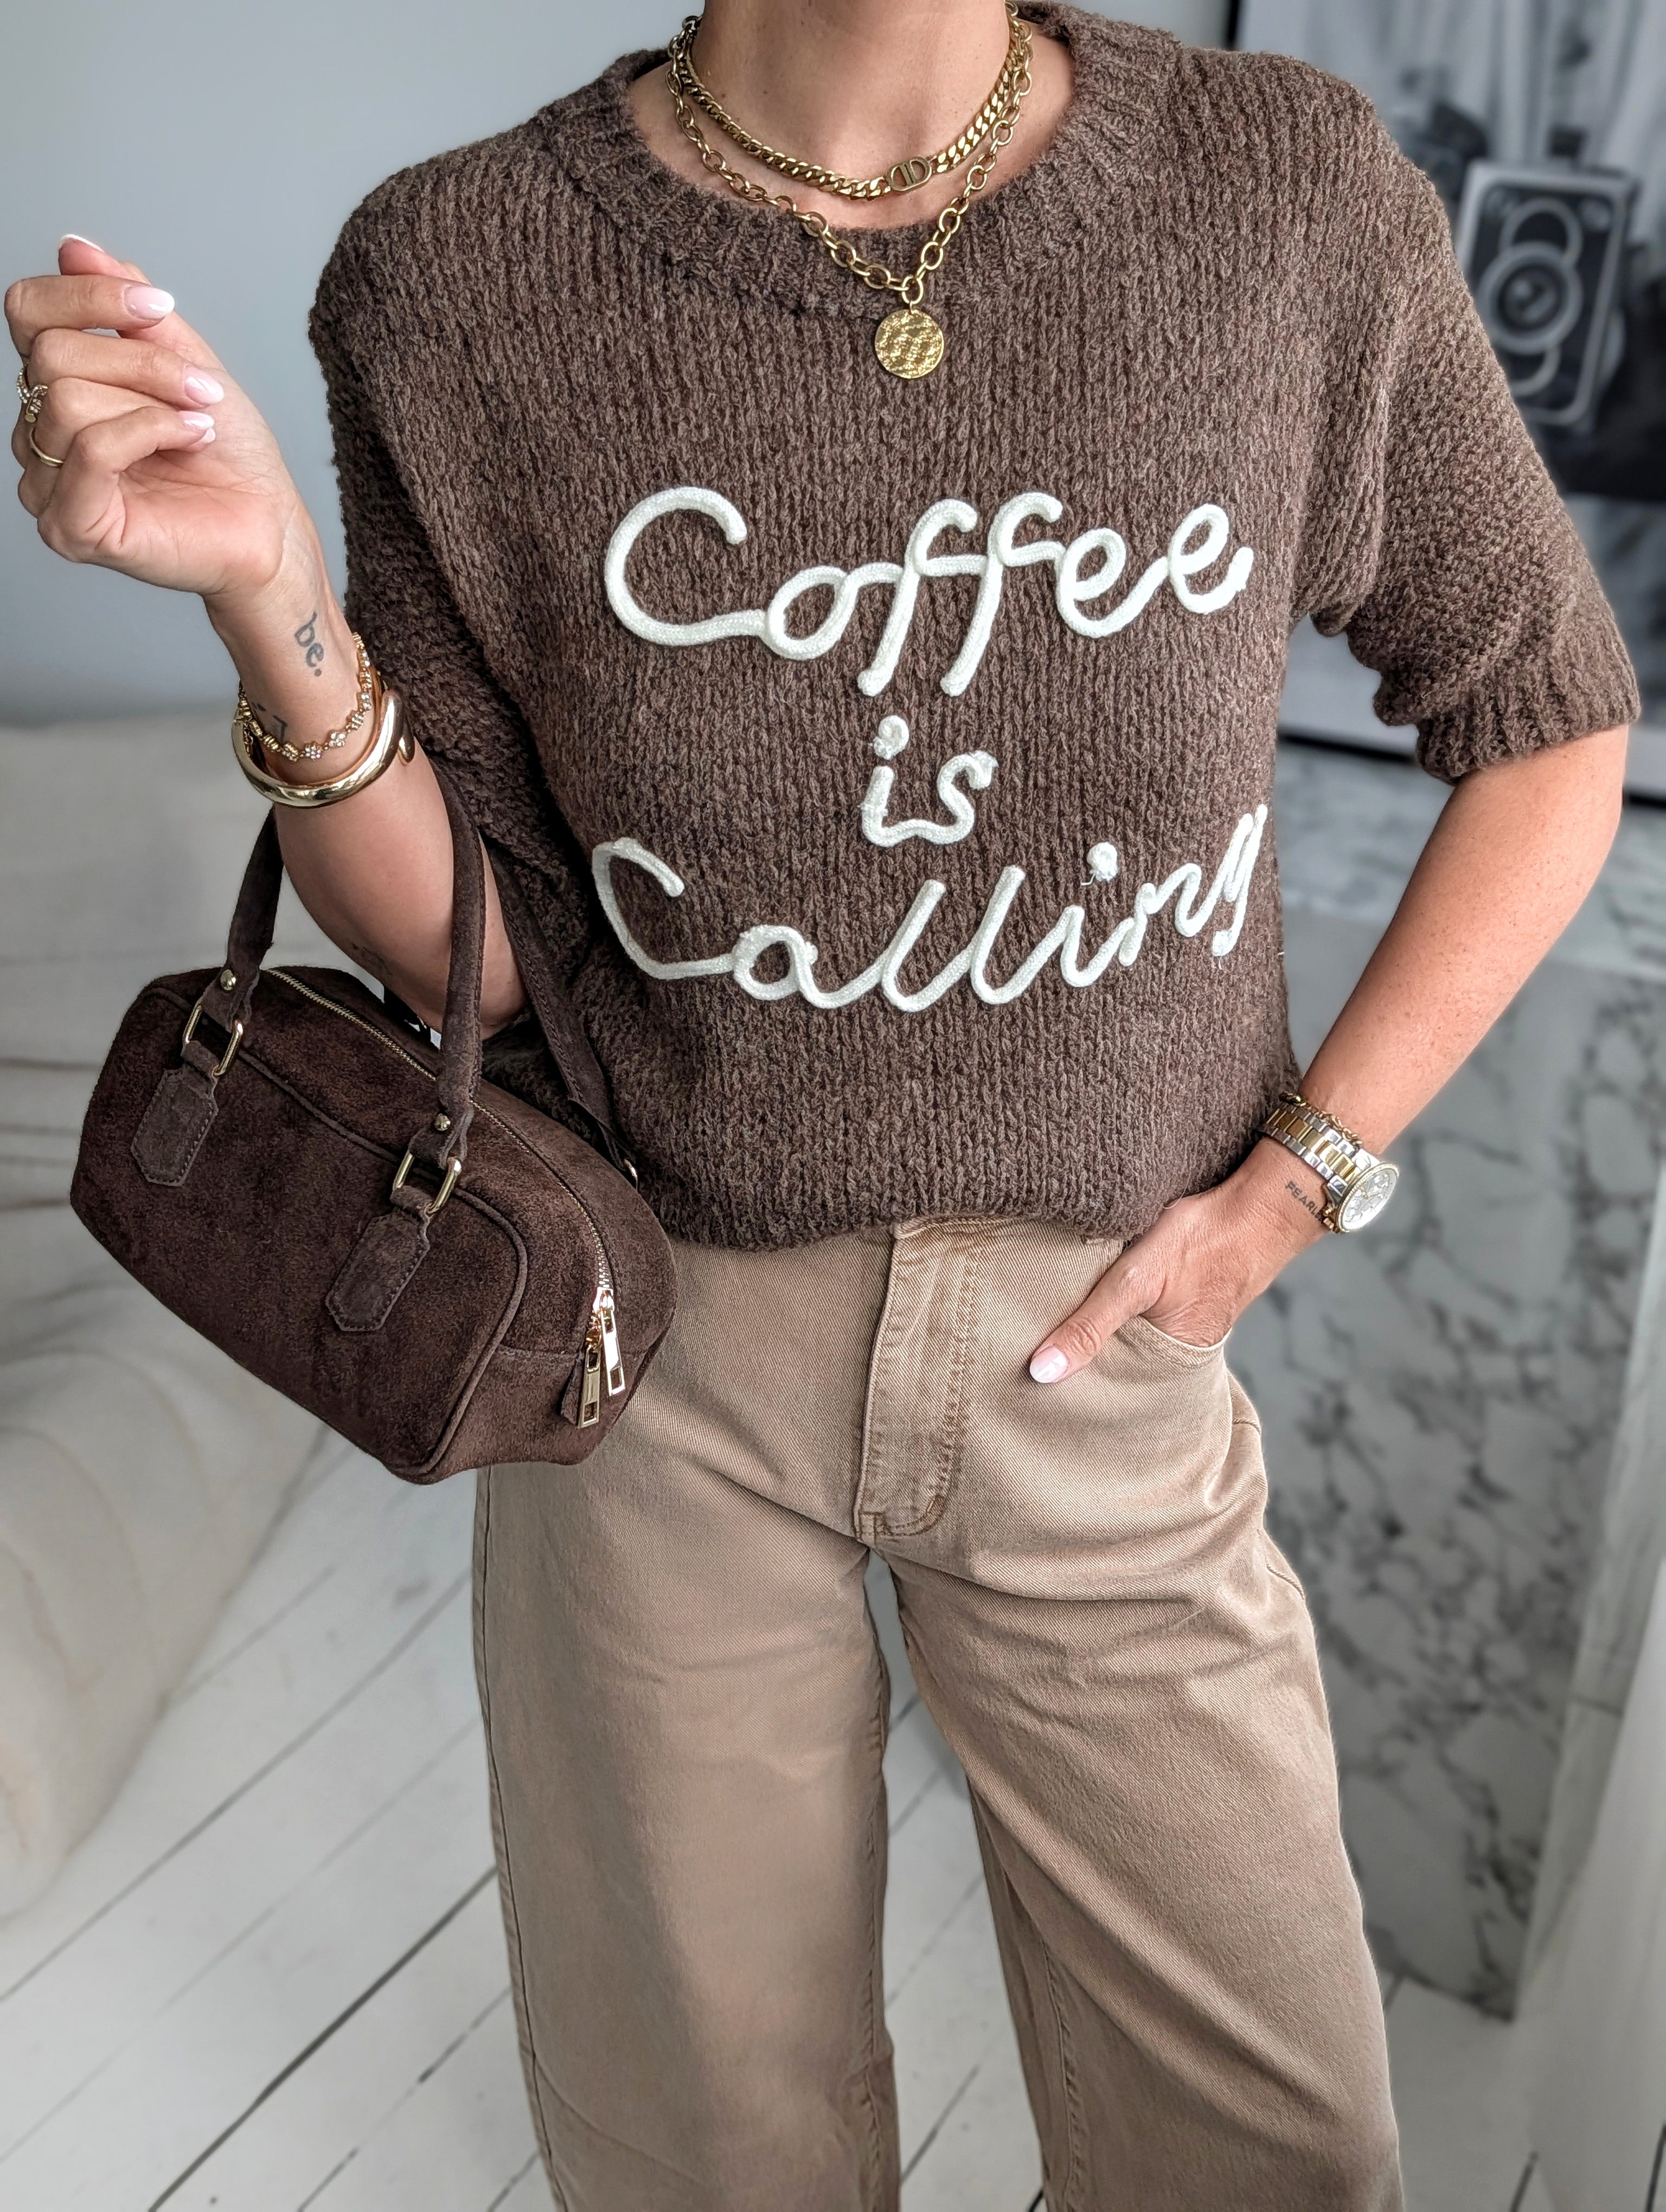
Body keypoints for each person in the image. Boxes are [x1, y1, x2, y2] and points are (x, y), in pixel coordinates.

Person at [7, 4, 1637, 2207]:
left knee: (1278, 2152)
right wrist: (268, 595)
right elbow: (485, 957)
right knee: (707, 2151)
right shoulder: (456, 273)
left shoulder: (1282, 194)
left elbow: (1548, 720)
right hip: (657, 1363)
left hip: (1105, 1365)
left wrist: (1299, 1179)